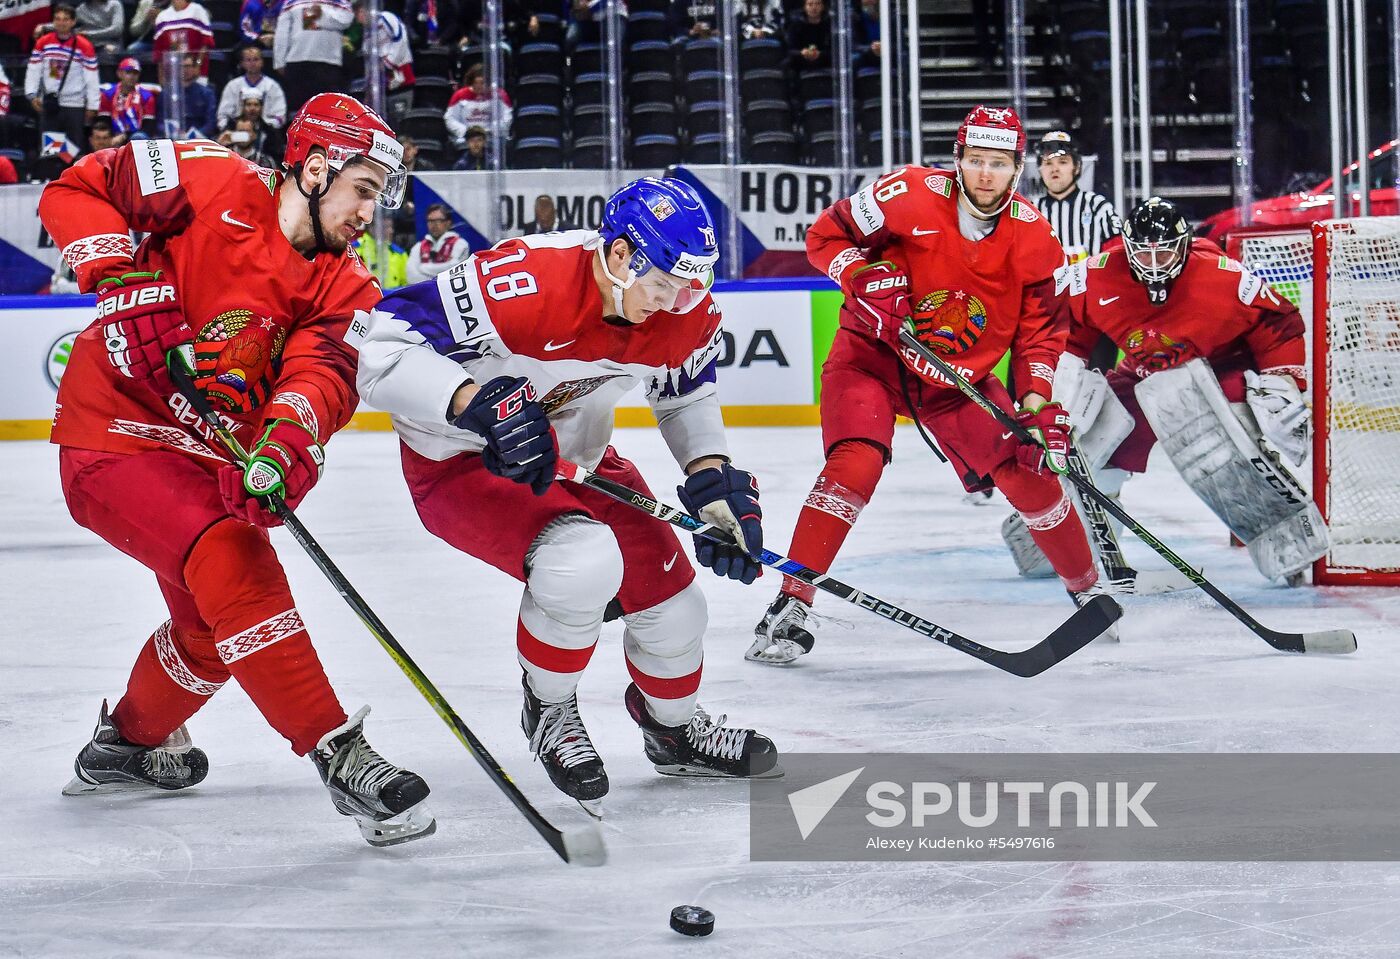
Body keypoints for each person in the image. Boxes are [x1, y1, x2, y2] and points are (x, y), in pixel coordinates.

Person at [38, 93, 435, 847]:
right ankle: (338, 751)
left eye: (379, 198)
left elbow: (322, 377)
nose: (368, 214)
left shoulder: (347, 285)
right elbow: (76, 187)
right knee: (234, 557)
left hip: (209, 456)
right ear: (315, 168)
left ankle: (123, 744)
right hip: (114, 432)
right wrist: (125, 281)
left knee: (213, 630)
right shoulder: (207, 174)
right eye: (363, 190)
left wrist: (284, 446)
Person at [355, 176, 780, 810]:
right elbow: (378, 342)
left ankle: (673, 732)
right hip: (462, 461)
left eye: (690, 287)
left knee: (675, 607)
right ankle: (549, 709)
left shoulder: (681, 307)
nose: (674, 303)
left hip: (577, 460)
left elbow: (682, 387)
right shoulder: (523, 282)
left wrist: (710, 473)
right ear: (619, 257)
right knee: (582, 562)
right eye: (663, 284)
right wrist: (473, 406)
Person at [750, 105, 1110, 665]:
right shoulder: (906, 194)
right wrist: (860, 273)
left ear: (1018, 169)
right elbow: (824, 235)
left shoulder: (1036, 237)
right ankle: (791, 602)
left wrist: (1035, 399)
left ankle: (1088, 591)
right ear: (958, 160)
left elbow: (1042, 330)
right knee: (855, 463)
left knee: (1027, 470)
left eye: (998, 163)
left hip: (955, 380)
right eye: (975, 161)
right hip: (871, 359)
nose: (985, 174)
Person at [1045, 196, 1320, 583]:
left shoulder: (1221, 276)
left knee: (1228, 443)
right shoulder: (1097, 275)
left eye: (1166, 252)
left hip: (1220, 366)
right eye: (1144, 253)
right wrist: (1060, 384)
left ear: (1186, 245)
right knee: (1096, 436)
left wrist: (1282, 381)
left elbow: (1279, 321)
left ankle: (1283, 539)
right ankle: (1076, 540)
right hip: (1147, 372)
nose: (1155, 264)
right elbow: (1065, 327)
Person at [1034, 129, 1121, 374]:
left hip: (1094, 320)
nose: (1055, 169)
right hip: (1046, 320)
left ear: (1076, 166)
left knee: (1098, 391)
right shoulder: (1031, 212)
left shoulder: (1099, 208)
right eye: (1048, 163)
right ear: (1039, 169)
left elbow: (1116, 261)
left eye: (1062, 162)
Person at [24, 5, 99, 160]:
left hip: (75, 103)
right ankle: (55, 177)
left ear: (73, 22)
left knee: (75, 148)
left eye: (65, 19)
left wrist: (92, 105)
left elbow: (92, 78)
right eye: (57, 19)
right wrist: (32, 94)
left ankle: (77, 178)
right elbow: (33, 70)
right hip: (51, 102)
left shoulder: (84, 45)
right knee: (52, 147)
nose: (61, 23)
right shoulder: (43, 43)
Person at [274, 0, 353, 114]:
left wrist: (323, 14)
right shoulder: (290, 2)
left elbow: (346, 20)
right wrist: (279, 61)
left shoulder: (339, 1)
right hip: (297, 61)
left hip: (328, 63)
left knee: (327, 110)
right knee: (298, 110)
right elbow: (282, 32)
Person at [353, 0, 414, 124]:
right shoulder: (367, 33)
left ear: (363, 10)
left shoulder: (387, 18)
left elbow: (401, 40)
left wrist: (387, 64)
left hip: (400, 76)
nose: (358, 20)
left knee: (401, 119)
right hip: (381, 82)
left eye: (357, 14)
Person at [217, 46, 288, 131]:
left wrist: (262, 127)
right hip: (236, 130)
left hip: (266, 131)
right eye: (248, 60)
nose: (252, 63)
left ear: (262, 62)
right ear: (242, 63)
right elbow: (222, 116)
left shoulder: (273, 86)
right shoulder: (232, 86)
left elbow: (280, 117)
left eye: (256, 59)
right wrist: (234, 127)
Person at [444, 63, 512, 148]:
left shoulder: (500, 95)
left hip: (493, 139)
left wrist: (492, 130)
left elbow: (507, 118)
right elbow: (450, 119)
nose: (479, 86)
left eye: (482, 83)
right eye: (476, 83)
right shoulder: (459, 95)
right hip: (467, 140)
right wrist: (466, 131)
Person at [99, 57, 159, 145]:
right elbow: (104, 122)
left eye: (135, 73)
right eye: (128, 72)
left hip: (136, 138)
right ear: (119, 73)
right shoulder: (108, 94)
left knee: (138, 137)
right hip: (113, 137)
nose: (132, 76)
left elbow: (148, 126)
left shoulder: (146, 96)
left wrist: (124, 136)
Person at [404, 202, 469, 282]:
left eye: (438, 220)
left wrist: (423, 267)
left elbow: (455, 271)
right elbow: (411, 277)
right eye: (430, 221)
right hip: (424, 293)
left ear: (448, 223)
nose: (434, 225)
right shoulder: (418, 246)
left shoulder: (460, 244)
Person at [157, 53, 218, 139]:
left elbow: (211, 123)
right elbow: (160, 122)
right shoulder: (166, 93)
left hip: (199, 139)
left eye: (188, 66)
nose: (185, 70)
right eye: (182, 66)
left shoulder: (207, 93)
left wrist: (193, 135)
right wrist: (172, 132)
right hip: (172, 138)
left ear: (194, 68)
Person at [152, 0, 214, 82]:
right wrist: (161, 77)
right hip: (172, 74)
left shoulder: (198, 11)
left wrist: (197, 66)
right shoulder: (162, 17)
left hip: (196, 73)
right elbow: (159, 52)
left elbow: (206, 43)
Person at [785, 0, 830, 71]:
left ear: (823, 7)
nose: (814, 8)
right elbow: (790, 48)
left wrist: (820, 53)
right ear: (805, 7)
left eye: (818, 4)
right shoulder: (796, 25)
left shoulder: (829, 24)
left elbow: (833, 48)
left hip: (824, 59)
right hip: (801, 58)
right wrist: (802, 52)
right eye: (810, 4)